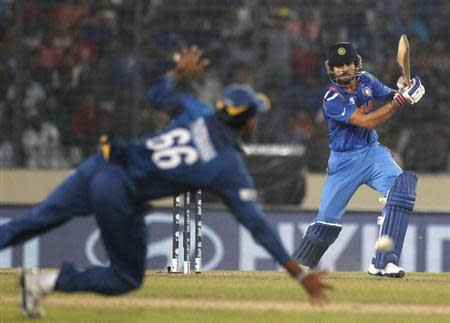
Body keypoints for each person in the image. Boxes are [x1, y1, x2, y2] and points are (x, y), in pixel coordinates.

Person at [0, 46, 332, 319]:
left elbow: (157, 93)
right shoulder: (227, 166)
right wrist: (299, 273)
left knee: (34, 221)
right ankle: (47, 281)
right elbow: (257, 225)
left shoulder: (197, 111)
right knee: (125, 277)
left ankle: (38, 285)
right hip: (120, 193)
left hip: (103, 161)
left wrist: (178, 73)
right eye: (255, 114)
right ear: (246, 122)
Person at [292, 42, 425, 278]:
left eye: (347, 64)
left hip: (371, 153)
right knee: (327, 222)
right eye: (337, 66)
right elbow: (367, 121)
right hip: (343, 162)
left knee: (402, 190)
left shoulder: (366, 80)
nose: (343, 69)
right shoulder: (332, 97)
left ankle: (384, 262)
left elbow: (391, 96)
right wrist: (401, 101)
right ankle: (301, 263)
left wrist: (407, 90)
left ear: (356, 64)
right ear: (330, 70)